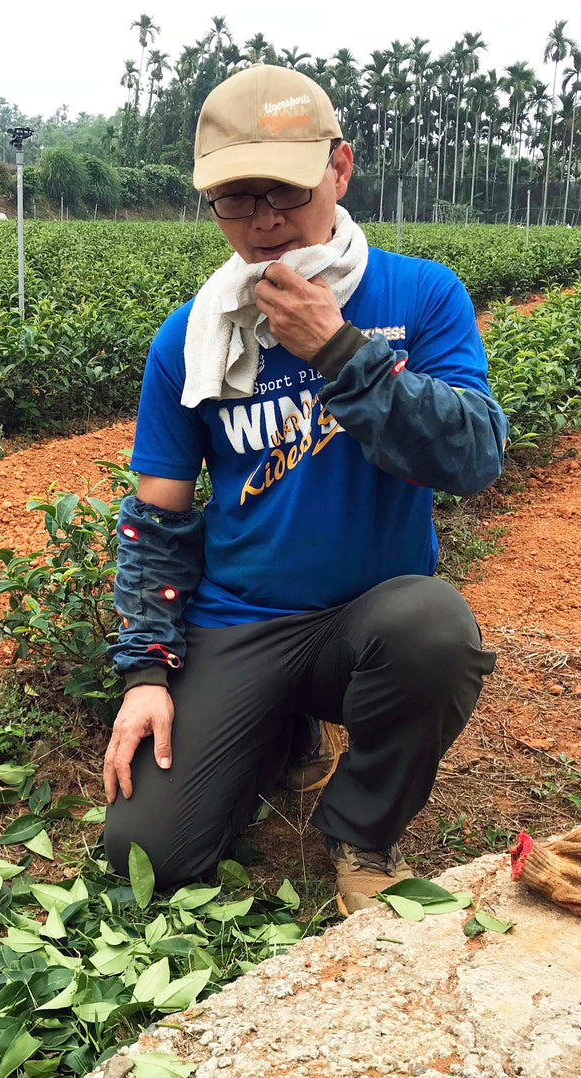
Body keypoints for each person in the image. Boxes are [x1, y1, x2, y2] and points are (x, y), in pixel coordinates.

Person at [101, 65, 508, 915]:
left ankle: (360, 832)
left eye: (283, 190)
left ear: (340, 169)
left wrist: (340, 352)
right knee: (149, 852)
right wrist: (146, 670)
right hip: (238, 623)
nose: (265, 222)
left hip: (368, 626)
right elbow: (156, 518)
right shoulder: (190, 339)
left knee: (435, 628)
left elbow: (473, 457)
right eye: (236, 200)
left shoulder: (421, 297)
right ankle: (278, 730)